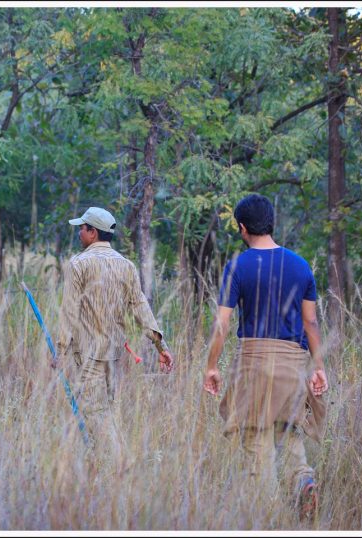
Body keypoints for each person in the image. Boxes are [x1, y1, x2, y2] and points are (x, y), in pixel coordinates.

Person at [202, 194, 328, 521]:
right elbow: (310, 322)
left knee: (257, 444)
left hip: (254, 364)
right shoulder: (301, 266)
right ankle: (303, 480)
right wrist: (318, 367)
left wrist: (212, 366)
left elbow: (223, 324)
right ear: (272, 222)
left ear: (242, 228)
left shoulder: (238, 266)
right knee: (291, 434)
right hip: (293, 364)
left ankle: (271, 520)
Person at [56, 206, 174, 462]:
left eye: (82, 228)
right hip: (113, 355)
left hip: (88, 355)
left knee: (97, 412)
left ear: (92, 232)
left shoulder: (78, 264)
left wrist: (60, 350)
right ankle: (103, 469)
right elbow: (141, 307)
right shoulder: (127, 266)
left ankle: (121, 465)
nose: (79, 233)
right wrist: (160, 346)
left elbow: (68, 312)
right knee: (105, 410)